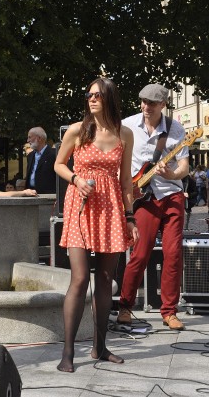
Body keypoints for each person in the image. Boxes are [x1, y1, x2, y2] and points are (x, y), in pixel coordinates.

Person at [54, 77, 138, 373]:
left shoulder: (124, 133)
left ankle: (100, 347)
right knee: (79, 279)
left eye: (97, 95)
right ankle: (67, 352)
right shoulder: (78, 130)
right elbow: (59, 164)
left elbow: (126, 179)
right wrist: (76, 179)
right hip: (80, 206)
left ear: (109, 99)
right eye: (88, 94)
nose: (91, 99)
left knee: (104, 279)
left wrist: (130, 217)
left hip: (112, 208)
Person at [117, 83, 189, 331]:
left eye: (152, 103)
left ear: (163, 105)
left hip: (171, 195)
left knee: (173, 254)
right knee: (140, 252)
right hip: (142, 198)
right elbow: (117, 160)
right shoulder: (126, 125)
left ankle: (169, 311)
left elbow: (184, 168)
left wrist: (170, 175)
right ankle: (125, 306)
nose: (146, 107)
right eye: (143, 101)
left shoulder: (176, 129)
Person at [26, 127, 57, 194]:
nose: (28, 140)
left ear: (39, 138)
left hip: (48, 197)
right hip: (31, 194)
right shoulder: (30, 156)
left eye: (30, 137)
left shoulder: (54, 154)